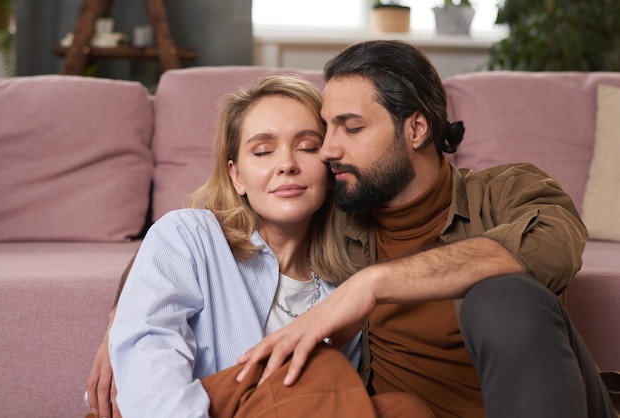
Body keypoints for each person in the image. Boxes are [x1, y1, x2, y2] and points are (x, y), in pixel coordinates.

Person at [235, 41, 617, 418]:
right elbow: (258, 201)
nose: (328, 150)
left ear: (416, 129)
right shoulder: (338, 218)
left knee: (502, 296)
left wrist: (372, 285)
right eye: (326, 130)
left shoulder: (506, 192)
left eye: (351, 128)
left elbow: (554, 246)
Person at [87, 74, 434, 418]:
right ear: (237, 176)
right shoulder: (187, 235)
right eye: (263, 151)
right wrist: (123, 317)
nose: (286, 165)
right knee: (316, 365)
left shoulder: (344, 290)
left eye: (307, 147)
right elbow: (150, 353)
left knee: (405, 409)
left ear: (329, 167)